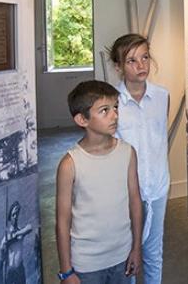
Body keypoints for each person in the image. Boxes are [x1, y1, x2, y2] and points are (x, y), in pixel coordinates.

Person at [56, 80, 143, 284]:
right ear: (82, 119)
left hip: (122, 257)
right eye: (104, 110)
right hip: (86, 265)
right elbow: (62, 222)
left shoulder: (127, 152)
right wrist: (66, 271)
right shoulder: (70, 165)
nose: (114, 115)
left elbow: (135, 202)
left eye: (115, 108)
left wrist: (136, 248)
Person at [109, 33, 169, 284]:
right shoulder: (112, 103)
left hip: (157, 187)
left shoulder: (162, 95)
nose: (141, 65)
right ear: (118, 66)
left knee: (153, 252)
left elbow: (158, 141)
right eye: (132, 60)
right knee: (127, 254)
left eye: (145, 57)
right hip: (126, 192)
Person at [0, 201, 33, 284]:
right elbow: (1, 258)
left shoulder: (21, 231)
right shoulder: (6, 236)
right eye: (13, 214)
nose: (16, 217)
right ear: (10, 216)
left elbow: (30, 227)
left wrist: (16, 234)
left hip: (20, 268)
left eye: (17, 214)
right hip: (10, 270)